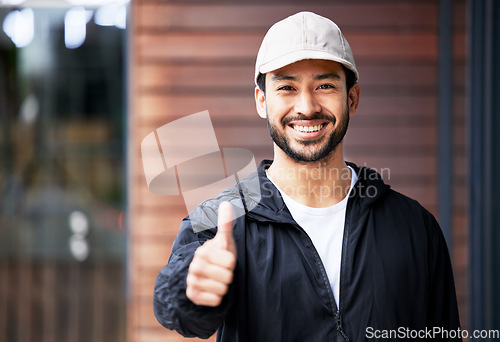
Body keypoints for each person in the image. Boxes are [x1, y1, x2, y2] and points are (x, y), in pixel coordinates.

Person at [153, 11, 461, 341]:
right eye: (287, 87)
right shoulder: (219, 223)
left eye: (325, 85)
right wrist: (192, 290)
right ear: (262, 101)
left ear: (352, 98)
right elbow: (178, 311)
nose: (307, 106)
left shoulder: (415, 226)